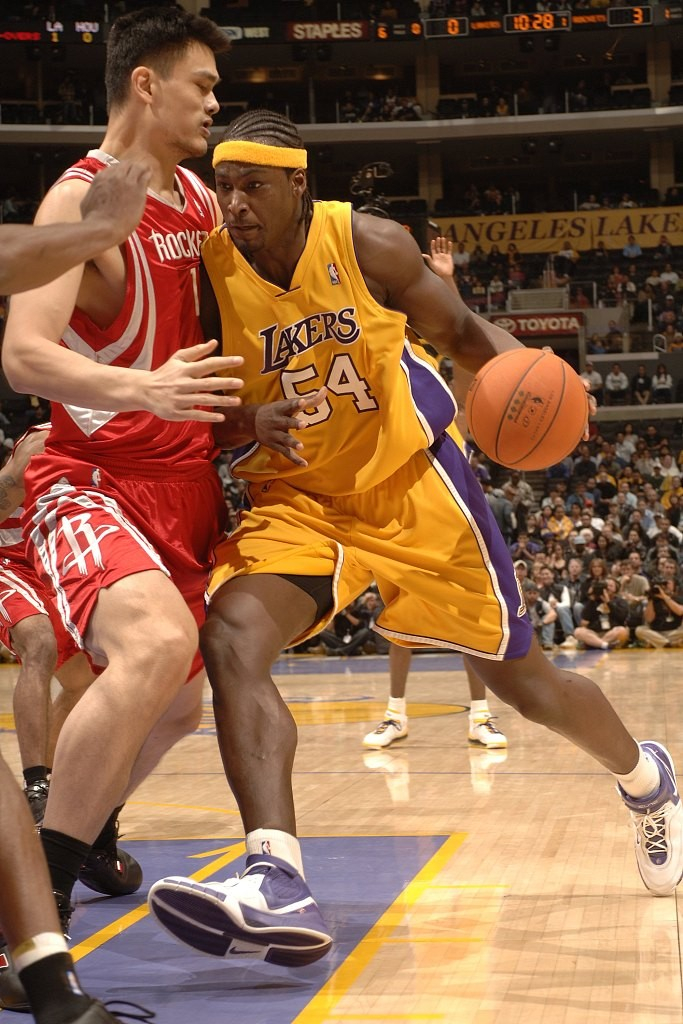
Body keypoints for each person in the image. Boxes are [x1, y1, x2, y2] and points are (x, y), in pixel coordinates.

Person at [147, 111, 683, 970]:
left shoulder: (371, 245)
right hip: (299, 500)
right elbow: (186, 402)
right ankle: (275, 877)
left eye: (254, 186)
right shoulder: (207, 271)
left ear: (298, 185)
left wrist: (548, 384)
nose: (235, 203)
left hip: (412, 488)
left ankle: (644, 777)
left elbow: (468, 338)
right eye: (225, 185)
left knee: (528, 689)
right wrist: (245, 420)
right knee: (232, 637)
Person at [0, 5, 267, 1013]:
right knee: (154, 646)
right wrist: (142, 388)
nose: (214, 102)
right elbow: (24, 353)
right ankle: (36, 920)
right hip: (95, 477)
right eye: (201, 84)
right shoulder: (81, 196)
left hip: (187, 487)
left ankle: (67, 838)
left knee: (180, 705)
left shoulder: (197, 198)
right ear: (146, 85)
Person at [0, 154, 155, 1021]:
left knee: (107, 679)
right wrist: (97, 230)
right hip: (8, 557)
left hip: (38, 555)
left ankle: (47, 971)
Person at [634, 577, 683, 648]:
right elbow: (649, 619)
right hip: (656, 632)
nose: (664, 586)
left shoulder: (678, 598)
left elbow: (680, 612)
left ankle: (659, 643)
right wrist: (651, 599)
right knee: (639, 630)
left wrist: (664, 597)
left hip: (674, 632)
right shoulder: (654, 601)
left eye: (667, 584)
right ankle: (669, 644)